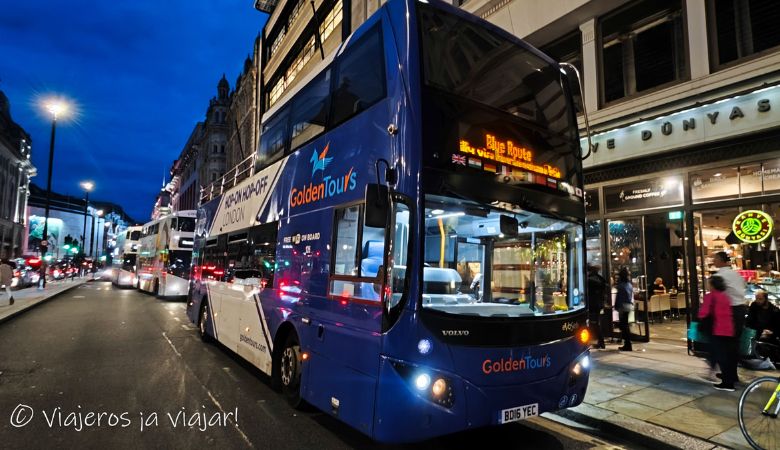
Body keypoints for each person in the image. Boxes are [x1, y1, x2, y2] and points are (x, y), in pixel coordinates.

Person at [698, 276, 737, 391]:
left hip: (717, 329)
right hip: (728, 329)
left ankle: (727, 383)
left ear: (713, 285)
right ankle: (728, 377)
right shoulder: (725, 296)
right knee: (725, 355)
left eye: (709, 283)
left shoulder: (711, 296)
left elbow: (703, 313)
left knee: (721, 356)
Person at [587, 264, 607, 349]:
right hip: (598, 304)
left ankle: (600, 341)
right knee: (596, 323)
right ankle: (600, 341)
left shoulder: (589, 280)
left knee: (594, 323)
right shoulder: (600, 279)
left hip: (592, 304)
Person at [614, 268, 633, 351]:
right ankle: (627, 343)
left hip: (623, 306)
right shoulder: (629, 284)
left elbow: (619, 298)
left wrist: (616, 306)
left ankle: (627, 344)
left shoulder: (621, 285)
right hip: (628, 305)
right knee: (625, 325)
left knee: (624, 326)